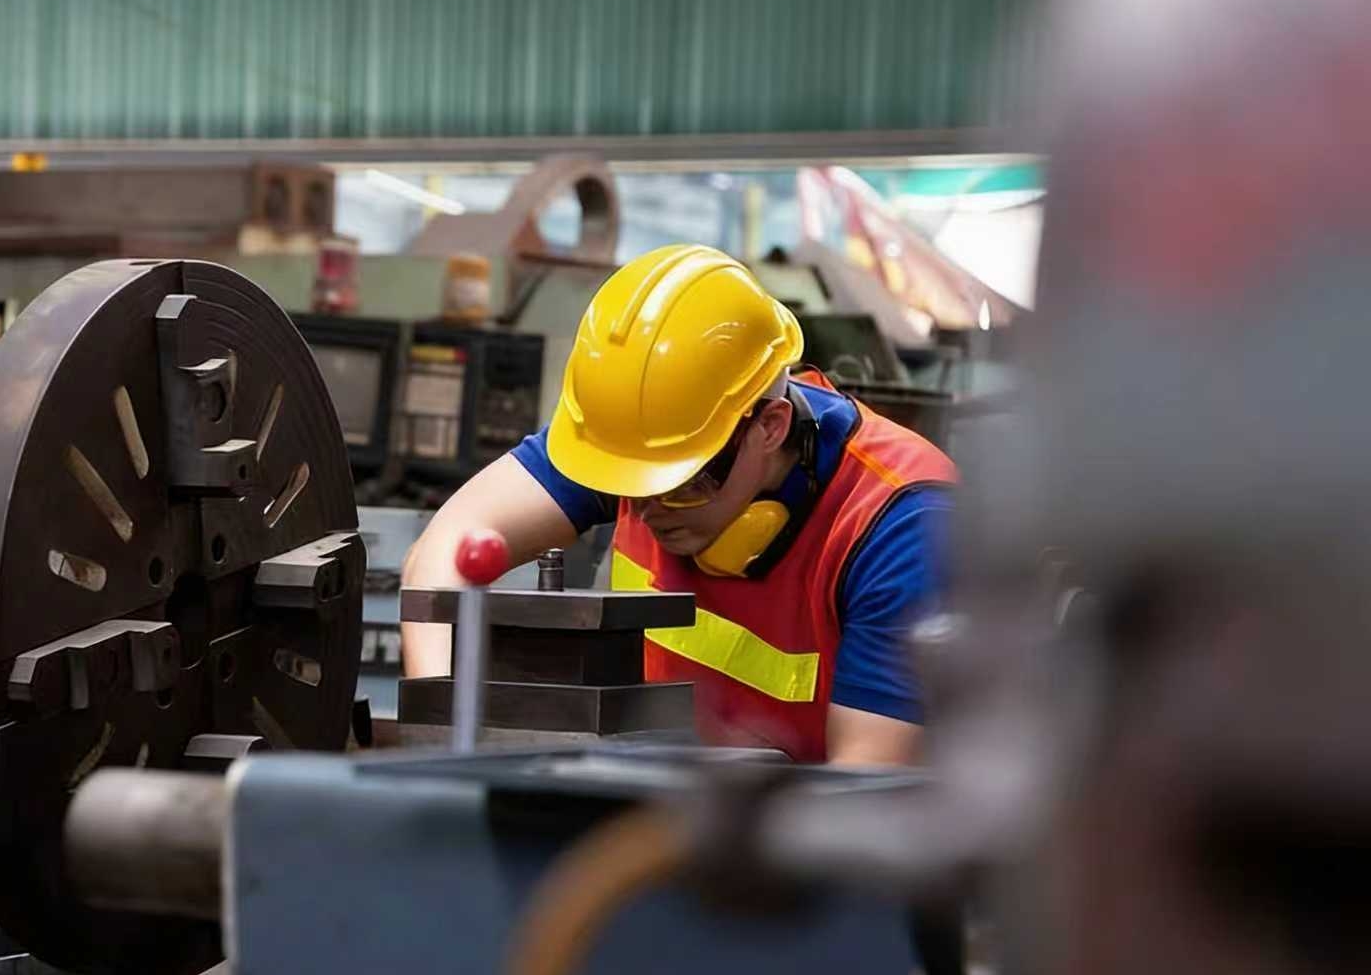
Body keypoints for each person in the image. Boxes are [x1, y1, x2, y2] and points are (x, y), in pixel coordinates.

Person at [400, 244, 956, 764]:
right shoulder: (642, 434)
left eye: (683, 482)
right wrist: (448, 735)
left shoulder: (903, 527)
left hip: (795, 843)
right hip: (652, 806)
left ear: (769, 425)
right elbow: (445, 548)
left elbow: (864, 788)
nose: (645, 509)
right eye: (627, 483)